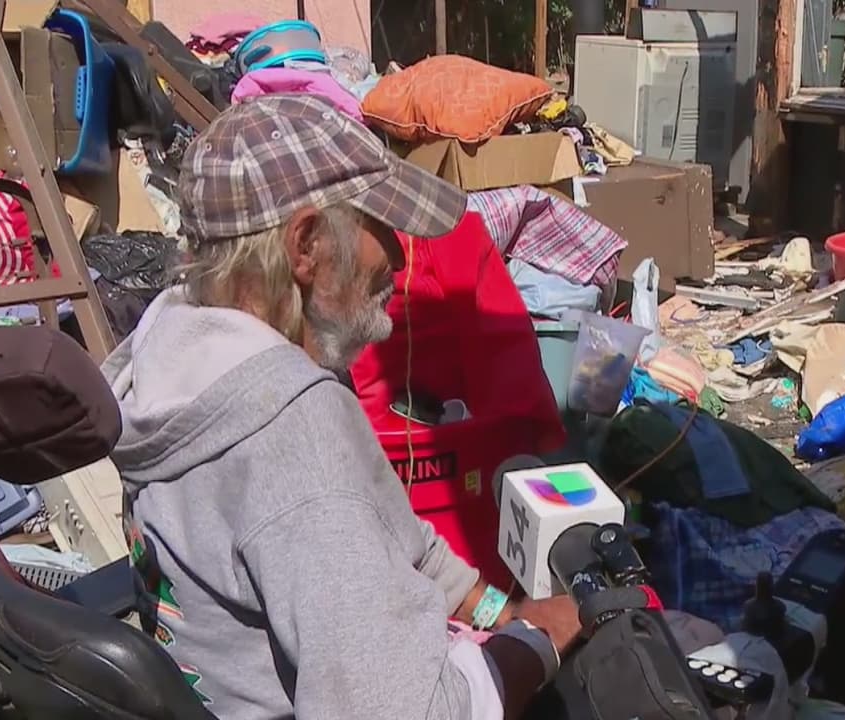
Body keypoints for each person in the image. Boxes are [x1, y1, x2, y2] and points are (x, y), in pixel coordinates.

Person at [102, 94, 581, 720]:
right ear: (307, 247)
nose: (400, 257)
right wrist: (538, 644)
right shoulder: (293, 437)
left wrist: (501, 613)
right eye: (378, 227)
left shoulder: (169, 351)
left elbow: (393, 537)